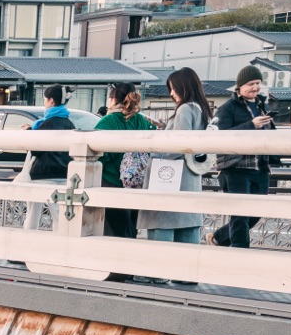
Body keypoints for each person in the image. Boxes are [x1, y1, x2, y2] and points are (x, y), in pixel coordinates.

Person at [139, 67, 210, 245]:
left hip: (171, 177)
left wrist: (154, 150)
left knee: (162, 224)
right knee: (187, 229)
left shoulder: (184, 109)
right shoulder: (200, 108)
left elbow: (177, 145)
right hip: (190, 175)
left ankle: (158, 272)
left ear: (183, 87)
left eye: (173, 88)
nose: (171, 93)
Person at [211, 64, 275, 248]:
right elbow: (219, 136)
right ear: (239, 87)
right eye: (250, 84)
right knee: (239, 214)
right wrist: (251, 125)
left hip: (260, 166)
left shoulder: (263, 104)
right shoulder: (227, 108)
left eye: (257, 83)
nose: (255, 88)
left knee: (256, 211)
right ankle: (239, 254)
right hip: (235, 167)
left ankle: (218, 238)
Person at [94, 81, 153, 241]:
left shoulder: (108, 122)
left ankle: (115, 263)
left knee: (113, 232)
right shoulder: (142, 121)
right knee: (130, 228)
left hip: (112, 181)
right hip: (138, 182)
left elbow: (101, 154)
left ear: (112, 100)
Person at [27, 85, 75, 182]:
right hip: (65, 172)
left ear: (51, 101)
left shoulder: (48, 123)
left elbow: (35, 149)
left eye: (45, 99)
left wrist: (28, 131)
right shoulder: (69, 123)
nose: (44, 103)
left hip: (45, 172)